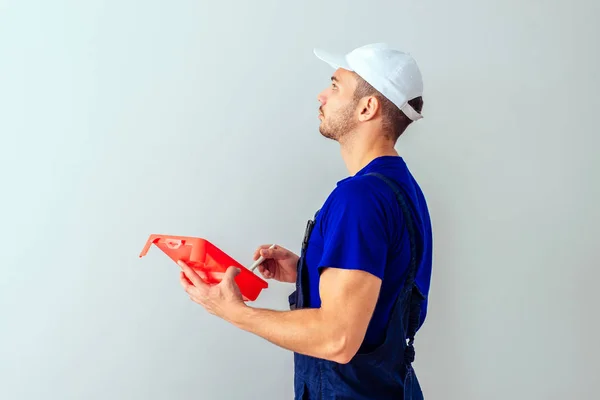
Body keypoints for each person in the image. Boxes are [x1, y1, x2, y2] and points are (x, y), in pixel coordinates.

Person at [177, 43, 433, 399]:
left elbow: (338, 339)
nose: (322, 95)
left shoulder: (360, 199)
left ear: (367, 107)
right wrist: (306, 269)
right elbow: (384, 288)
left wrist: (234, 311)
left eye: (334, 85)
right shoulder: (401, 188)